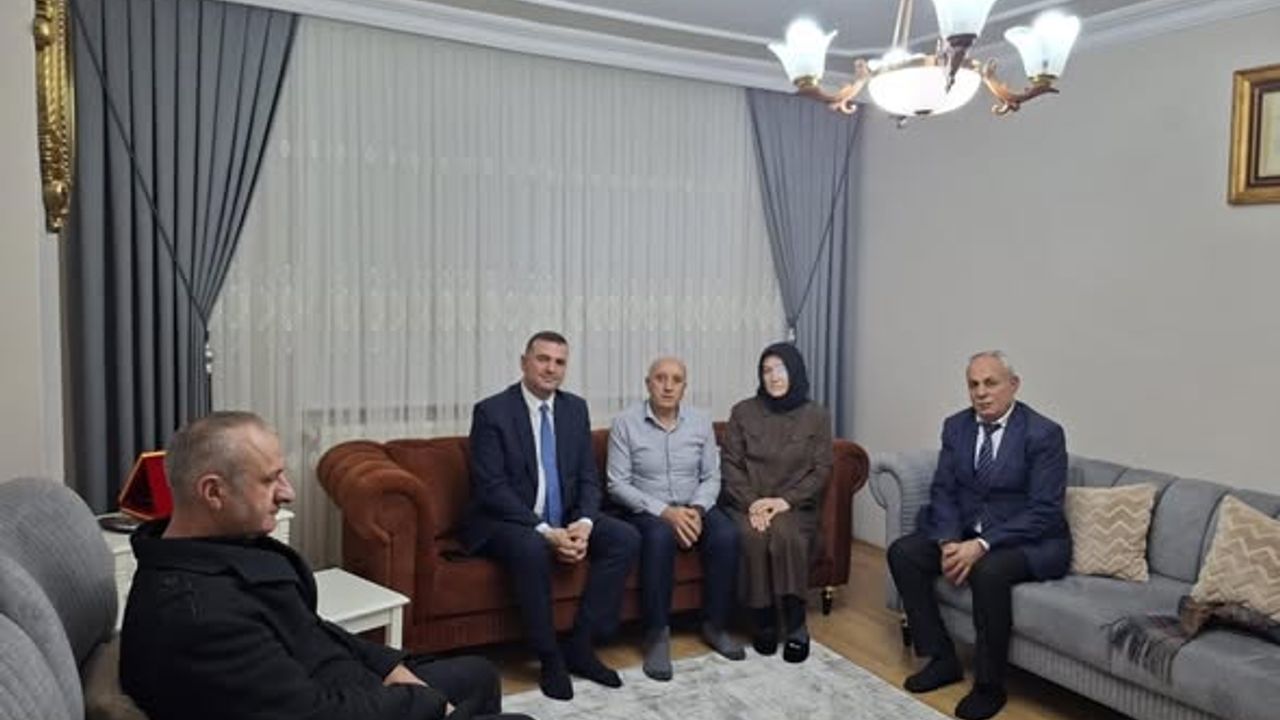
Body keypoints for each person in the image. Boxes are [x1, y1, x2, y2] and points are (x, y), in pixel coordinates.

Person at [119, 411, 524, 720]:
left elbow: (309, 627)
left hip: (334, 679)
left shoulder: (217, 549)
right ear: (213, 492)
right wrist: (427, 703)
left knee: (479, 674)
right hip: (327, 702)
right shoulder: (197, 616)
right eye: (269, 480)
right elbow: (314, 713)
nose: (288, 493)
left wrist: (390, 667)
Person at [887, 351, 1069, 720]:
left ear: (1013, 385)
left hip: (1029, 541)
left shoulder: (1043, 434)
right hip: (967, 532)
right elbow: (943, 490)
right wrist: (948, 540)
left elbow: (1044, 511)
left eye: (990, 383)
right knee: (903, 552)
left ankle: (989, 685)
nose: (981, 392)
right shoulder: (957, 427)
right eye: (973, 384)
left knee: (988, 571)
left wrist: (982, 545)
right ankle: (942, 658)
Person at [464, 331, 640, 701]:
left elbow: (588, 477)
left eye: (559, 362)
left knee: (624, 537)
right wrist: (546, 530)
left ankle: (580, 645)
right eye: (543, 359)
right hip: (507, 521)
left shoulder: (574, 409)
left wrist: (585, 524)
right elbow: (492, 489)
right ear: (524, 362)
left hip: (565, 516)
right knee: (531, 547)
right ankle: (549, 657)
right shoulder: (492, 412)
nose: (551, 368)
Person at [606, 356, 746, 681]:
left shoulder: (700, 422)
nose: (668, 386)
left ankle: (714, 625)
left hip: (694, 505)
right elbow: (617, 484)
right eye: (660, 378)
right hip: (647, 510)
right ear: (648, 384)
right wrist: (665, 513)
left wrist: (696, 510)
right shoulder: (625, 423)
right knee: (659, 536)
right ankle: (656, 634)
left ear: (685, 387)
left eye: (676, 380)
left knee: (727, 535)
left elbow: (711, 476)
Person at [721, 342, 832, 664]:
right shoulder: (743, 412)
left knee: (787, 534)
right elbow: (730, 465)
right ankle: (764, 619)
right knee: (753, 535)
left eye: (780, 369)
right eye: (766, 370)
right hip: (748, 504)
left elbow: (821, 469)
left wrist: (784, 501)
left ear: (795, 371)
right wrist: (753, 504)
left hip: (794, 506)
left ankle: (796, 623)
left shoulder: (817, 416)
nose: (773, 377)